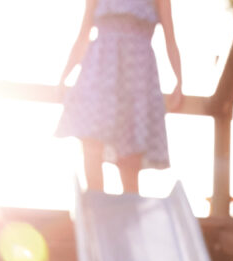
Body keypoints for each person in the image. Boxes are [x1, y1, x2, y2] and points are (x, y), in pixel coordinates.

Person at [56, 0, 183, 195]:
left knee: (130, 160)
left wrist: (178, 80)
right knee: (91, 142)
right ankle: (96, 209)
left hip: (137, 75)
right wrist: (65, 75)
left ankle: (129, 217)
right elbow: (83, 34)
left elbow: (170, 36)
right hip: (99, 69)